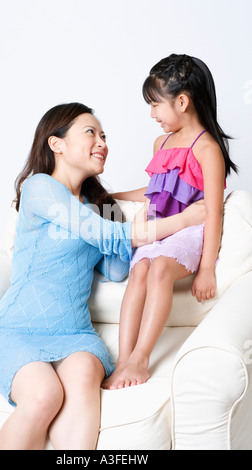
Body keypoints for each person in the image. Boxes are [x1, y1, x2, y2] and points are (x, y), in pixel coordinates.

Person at [0, 102, 205, 450]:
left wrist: (126, 218)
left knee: (85, 373)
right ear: (56, 144)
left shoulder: (95, 207)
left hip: (76, 335)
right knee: (44, 395)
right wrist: (184, 219)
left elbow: (116, 270)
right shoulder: (39, 188)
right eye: (91, 133)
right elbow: (104, 236)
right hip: (19, 330)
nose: (102, 142)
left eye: (104, 136)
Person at [102, 54, 238, 391]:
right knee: (140, 272)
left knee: (160, 268)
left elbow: (213, 210)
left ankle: (141, 359)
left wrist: (206, 268)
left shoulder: (207, 149)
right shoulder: (160, 144)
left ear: (182, 101)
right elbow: (154, 193)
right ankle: (123, 360)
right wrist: (113, 195)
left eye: (155, 105)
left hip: (189, 230)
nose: (151, 114)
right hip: (161, 226)